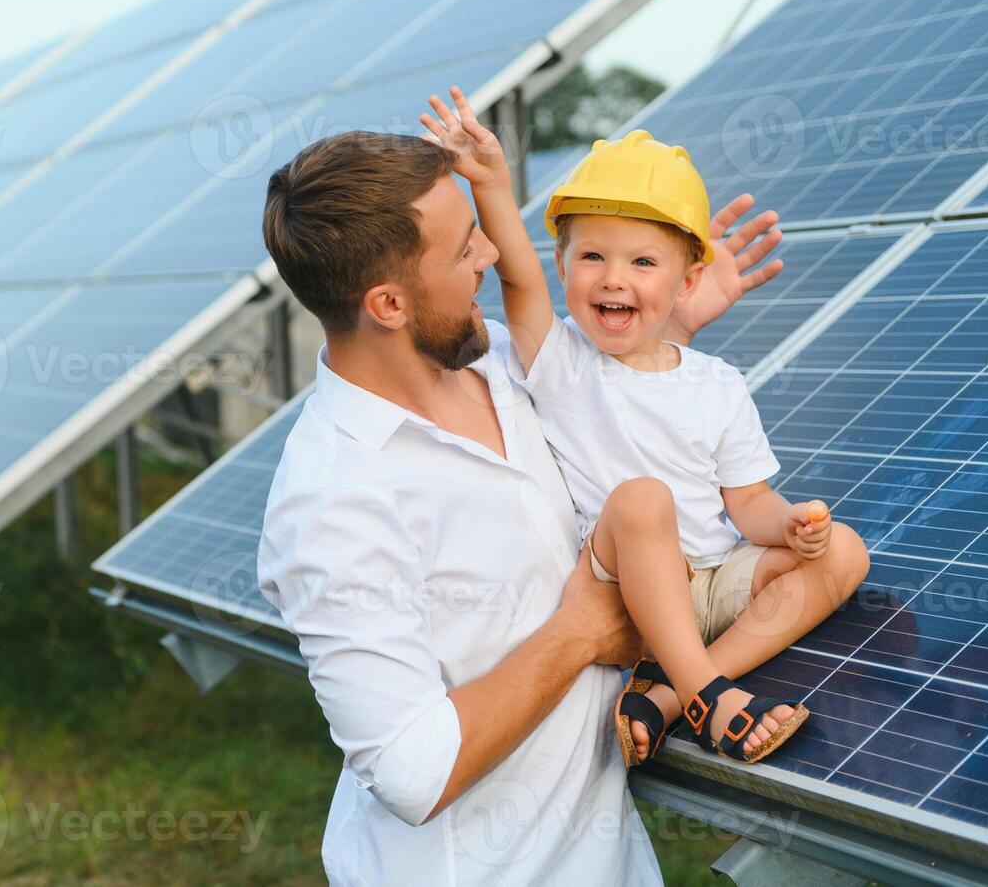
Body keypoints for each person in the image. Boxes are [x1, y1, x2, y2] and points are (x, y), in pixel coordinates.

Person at [256, 120, 785, 884]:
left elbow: (598, 407)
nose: (492, 254)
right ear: (388, 304)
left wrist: (664, 328)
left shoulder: (500, 362)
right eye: (463, 246)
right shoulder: (333, 504)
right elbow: (413, 773)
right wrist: (579, 631)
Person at [418, 88, 870, 770]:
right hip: (629, 590)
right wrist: (489, 179)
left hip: (717, 581)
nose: (612, 280)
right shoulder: (560, 359)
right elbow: (515, 273)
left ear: (687, 279)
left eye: (641, 262)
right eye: (591, 257)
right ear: (563, 265)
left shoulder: (715, 383)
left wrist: (789, 529)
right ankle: (710, 700)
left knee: (844, 553)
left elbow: (746, 504)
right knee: (642, 498)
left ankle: (667, 695)